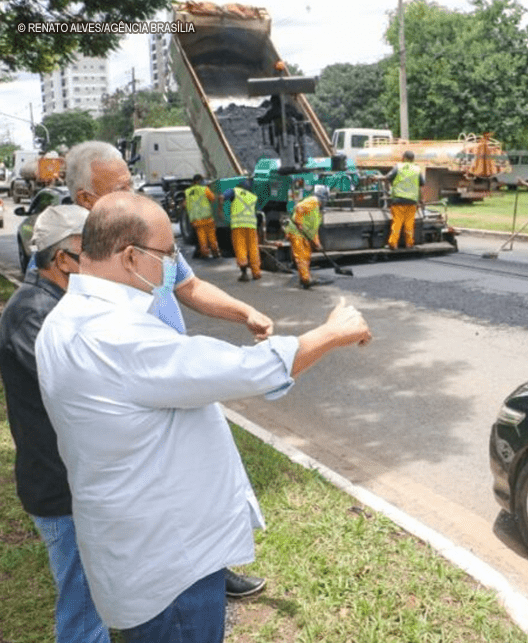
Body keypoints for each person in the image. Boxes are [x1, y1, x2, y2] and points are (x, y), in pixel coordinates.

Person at [35, 192, 372, 642]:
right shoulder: (116, 334)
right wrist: (332, 333)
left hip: (137, 548)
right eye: (167, 253)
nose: (174, 264)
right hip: (170, 567)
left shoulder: (65, 319)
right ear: (131, 256)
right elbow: (245, 369)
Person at [65, 140, 272, 596]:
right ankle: (163, 591)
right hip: (130, 396)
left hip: (175, 378)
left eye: (131, 181)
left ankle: (212, 570)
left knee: (198, 486)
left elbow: (190, 285)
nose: (133, 190)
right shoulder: (78, 256)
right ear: (85, 200)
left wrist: (244, 313)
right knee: (155, 501)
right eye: (120, 186)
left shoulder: (143, 229)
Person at [0, 205, 110, 643]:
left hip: (76, 479)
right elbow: (81, 391)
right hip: (59, 486)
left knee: (94, 584)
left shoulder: (58, 303)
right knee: (81, 599)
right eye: (93, 252)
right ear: (62, 260)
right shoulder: (33, 314)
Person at [219, 177, 262, 282]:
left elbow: (221, 197)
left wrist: (220, 210)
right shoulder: (253, 197)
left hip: (238, 225)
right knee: (253, 248)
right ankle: (256, 273)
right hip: (251, 226)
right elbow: (257, 211)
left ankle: (244, 273)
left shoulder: (235, 191)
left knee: (240, 247)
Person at [285, 185, 326, 289]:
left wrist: (317, 243)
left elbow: (314, 229)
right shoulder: (313, 200)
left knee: (307, 256)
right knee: (301, 257)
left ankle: (304, 278)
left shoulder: (318, 211)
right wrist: (298, 223)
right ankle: (306, 280)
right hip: (296, 231)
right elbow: (299, 207)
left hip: (305, 235)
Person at [385, 150, 424, 250]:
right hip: (412, 201)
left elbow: (388, 177)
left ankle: (393, 244)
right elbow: (422, 183)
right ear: (413, 159)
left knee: (397, 222)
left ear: (404, 158)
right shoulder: (417, 169)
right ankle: (409, 244)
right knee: (409, 223)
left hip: (398, 200)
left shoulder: (398, 167)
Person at [184, 173, 220, 259]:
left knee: (201, 237)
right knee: (211, 235)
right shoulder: (205, 189)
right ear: (199, 181)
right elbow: (212, 198)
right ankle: (215, 251)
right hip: (207, 217)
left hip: (196, 219)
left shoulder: (187, 192)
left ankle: (205, 253)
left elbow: (185, 204)